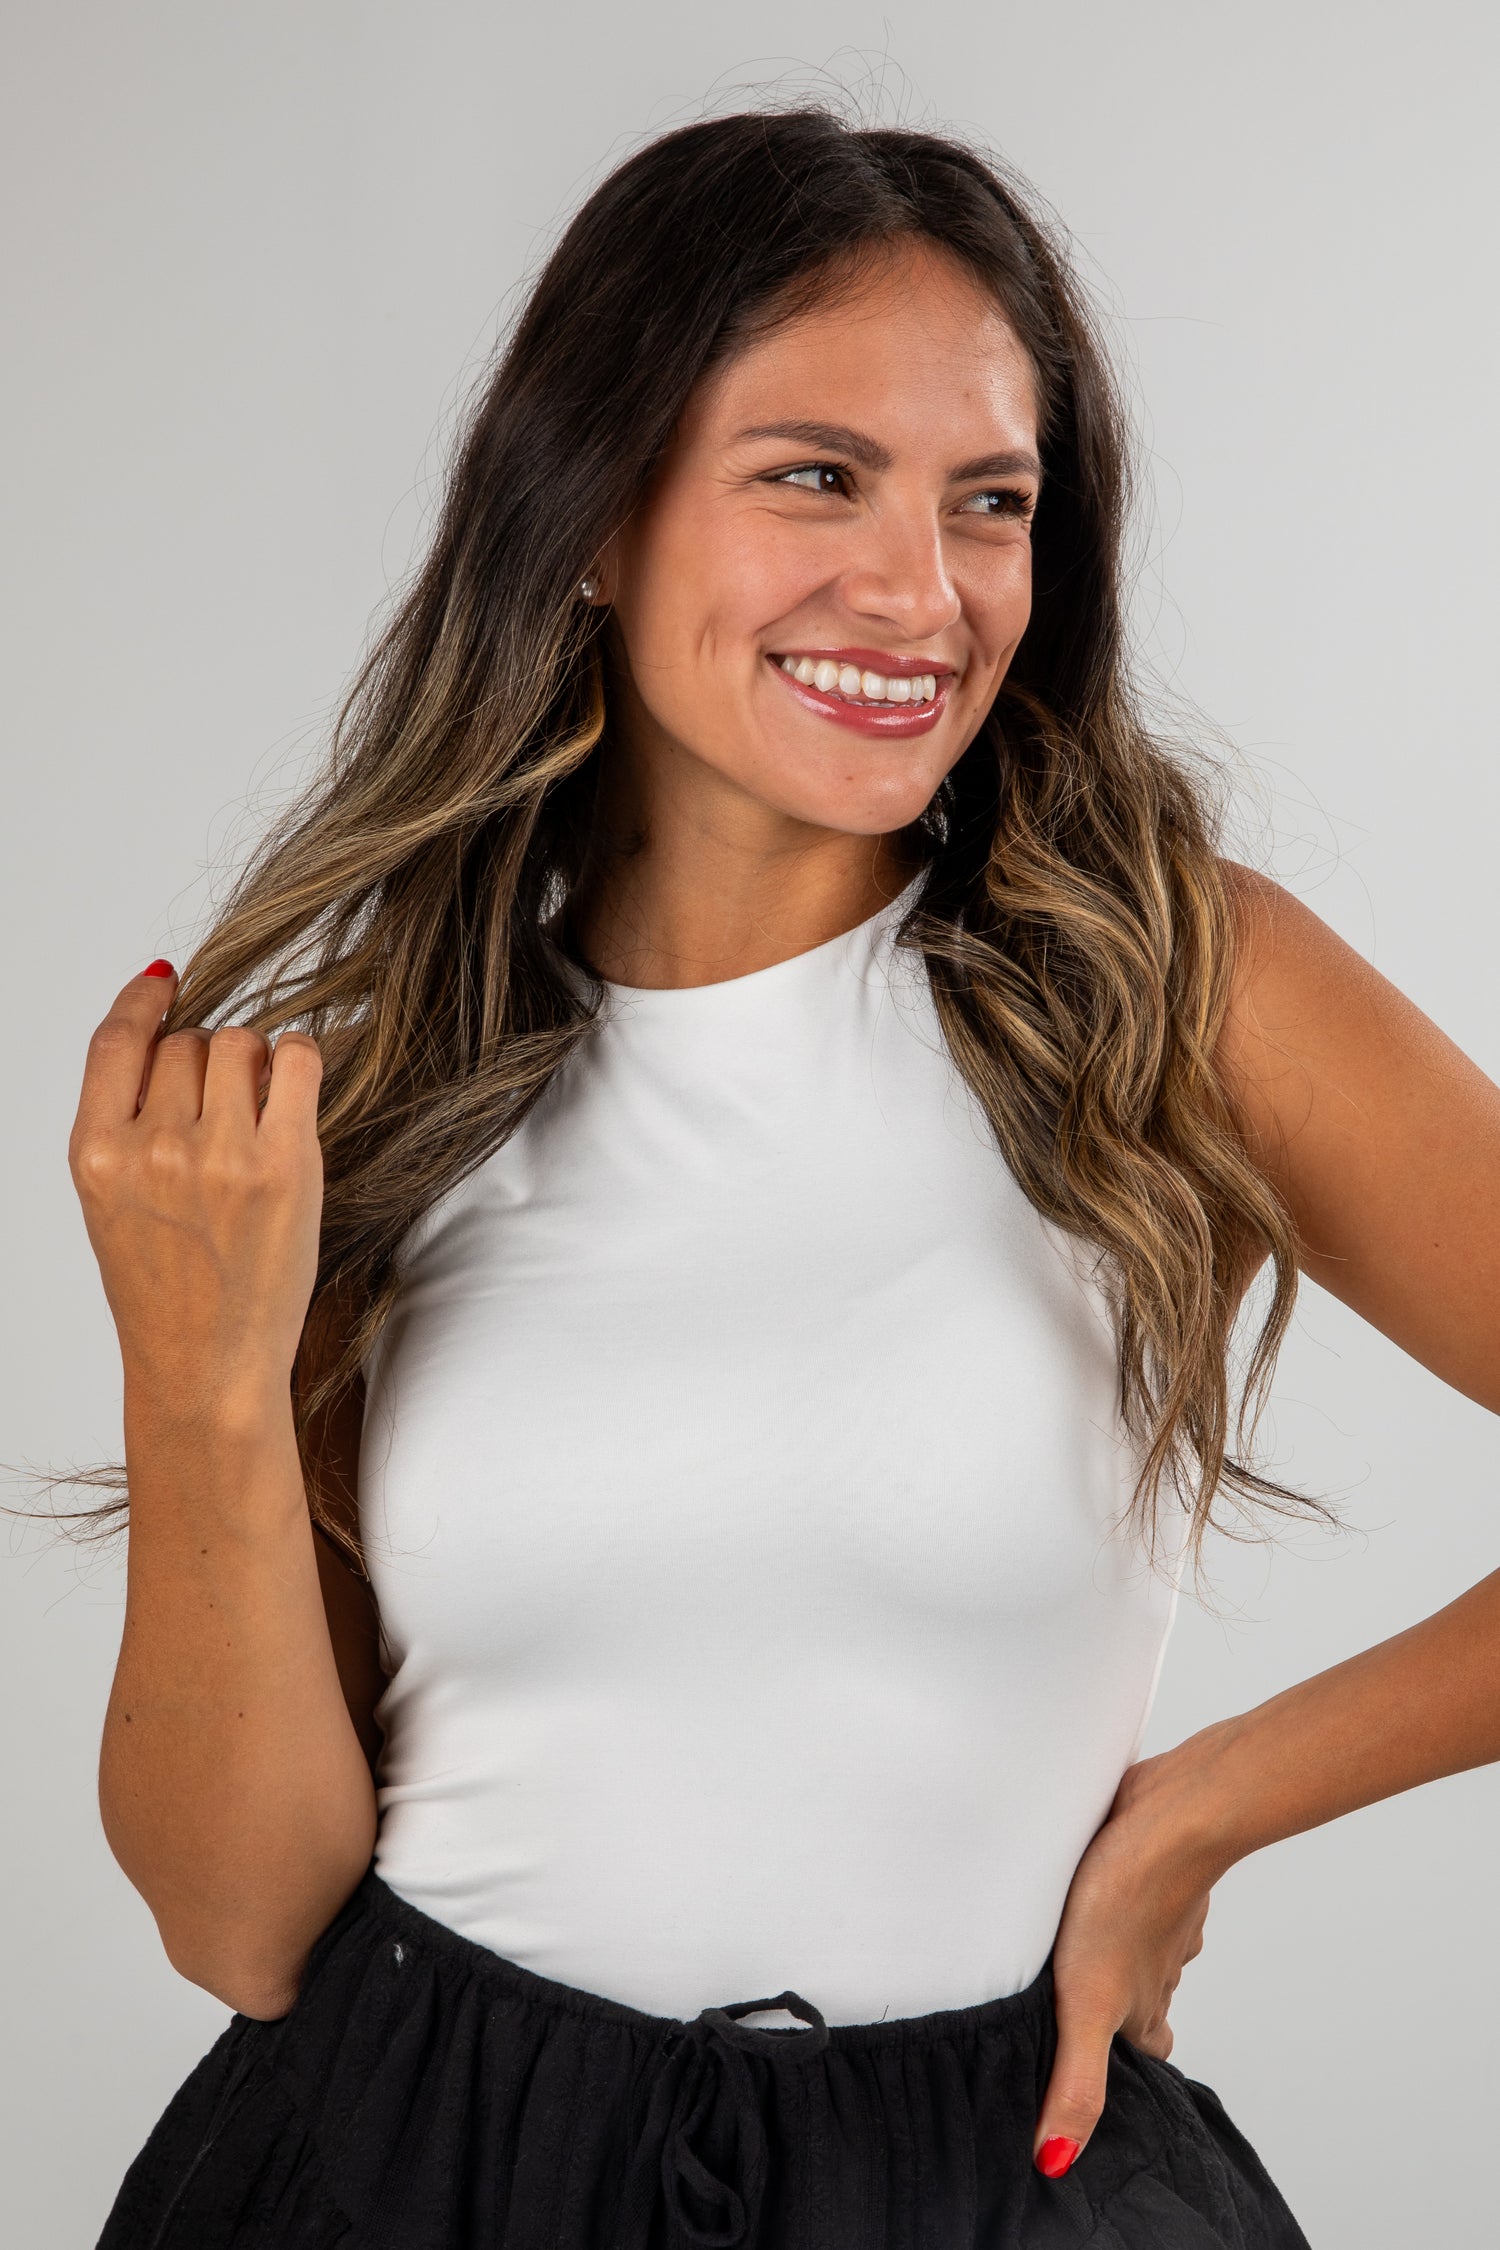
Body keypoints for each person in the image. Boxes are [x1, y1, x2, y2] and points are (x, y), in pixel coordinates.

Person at [68, 107, 1500, 2250]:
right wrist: (191, 1380)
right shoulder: (379, 1089)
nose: (921, 594)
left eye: (990, 502)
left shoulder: (1176, 992)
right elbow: (247, 1923)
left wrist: (1209, 1808)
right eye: (815, 475)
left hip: (991, 2180)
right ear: (587, 518)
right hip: (405, 2166)